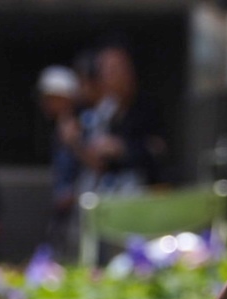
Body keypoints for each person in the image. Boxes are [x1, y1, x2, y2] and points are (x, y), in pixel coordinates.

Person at [79, 43, 167, 194]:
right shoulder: (103, 112)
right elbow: (97, 160)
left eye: (115, 69)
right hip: (109, 196)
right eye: (104, 70)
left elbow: (159, 151)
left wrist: (122, 149)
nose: (109, 76)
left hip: (144, 195)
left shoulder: (147, 108)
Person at [36, 65, 81, 256]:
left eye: (51, 98)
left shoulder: (81, 124)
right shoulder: (59, 127)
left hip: (79, 204)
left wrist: (72, 191)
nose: (45, 104)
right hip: (62, 204)